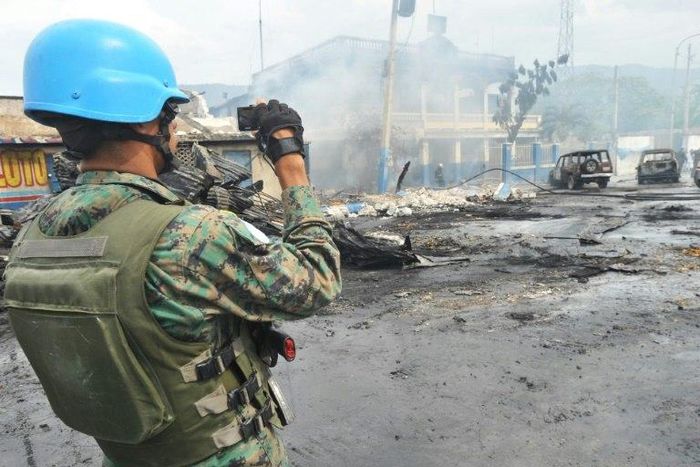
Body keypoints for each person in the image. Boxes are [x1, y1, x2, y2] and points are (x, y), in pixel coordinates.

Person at [4, 19, 341, 467]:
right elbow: (317, 281)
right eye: (171, 116)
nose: (176, 131)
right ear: (147, 117)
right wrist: (291, 164)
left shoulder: (31, 236)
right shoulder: (191, 236)